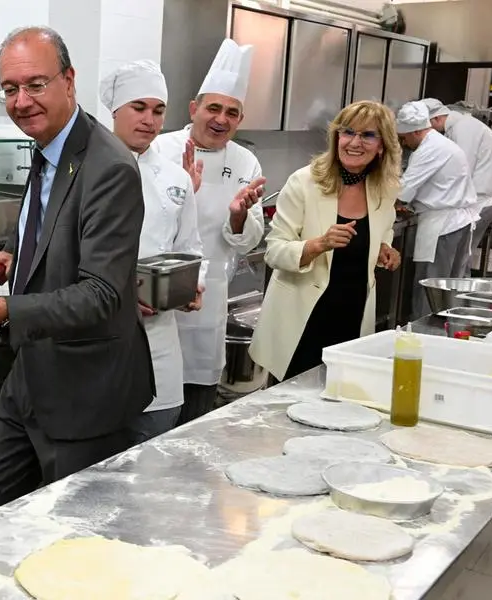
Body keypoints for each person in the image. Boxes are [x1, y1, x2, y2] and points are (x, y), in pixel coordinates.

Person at [0, 26, 155, 514]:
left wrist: (0, 309)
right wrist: (17, 252)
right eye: (10, 89)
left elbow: (101, 295)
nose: (21, 101)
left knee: (75, 533)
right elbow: (48, 217)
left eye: (35, 84)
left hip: (85, 387)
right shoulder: (48, 146)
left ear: (69, 81)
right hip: (30, 373)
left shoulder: (109, 166)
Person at [153, 39, 266, 425]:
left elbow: (250, 239)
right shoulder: (160, 150)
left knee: (197, 406)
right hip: (157, 300)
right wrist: (184, 194)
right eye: (213, 108)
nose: (221, 119)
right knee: (153, 402)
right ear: (194, 109)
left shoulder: (245, 160)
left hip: (211, 299)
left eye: (232, 112)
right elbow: (141, 226)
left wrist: (238, 216)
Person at [249, 101, 403, 383]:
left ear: (382, 146)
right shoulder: (304, 183)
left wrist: (384, 248)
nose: (355, 142)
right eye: (348, 133)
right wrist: (318, 244)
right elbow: (274, 252)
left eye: (368, 135)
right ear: (336, 137)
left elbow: (384, 229)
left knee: (341, 404)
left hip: (353, 319)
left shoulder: (384, 188)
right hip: (303, 322)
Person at [98, 60, 206, 443]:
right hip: (100, 340)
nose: (150, 120)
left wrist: (193, 285)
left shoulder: (176, 178)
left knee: (153, 442)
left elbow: (190, 249)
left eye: (158, 110)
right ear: (114, 111)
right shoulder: (88, 172)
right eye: (138, 108)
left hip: (159, 336)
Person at [395, 100, 480, 319]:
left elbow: (402, 191)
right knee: (448, 289)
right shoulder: (440, 143)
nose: (404, 143)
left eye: (403, 138)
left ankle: (422, 339)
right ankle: (443, 335)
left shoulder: (428, 149)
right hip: (457, 222)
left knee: (430, 290)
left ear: (414, 132)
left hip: (444, 227)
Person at [422, 98, 492, 256]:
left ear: (436, 118)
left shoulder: (464, 129)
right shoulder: (460, 126)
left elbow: (460, 171)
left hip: (478, 203)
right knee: (461, 260)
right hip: (477, 201)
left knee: (460, 259)